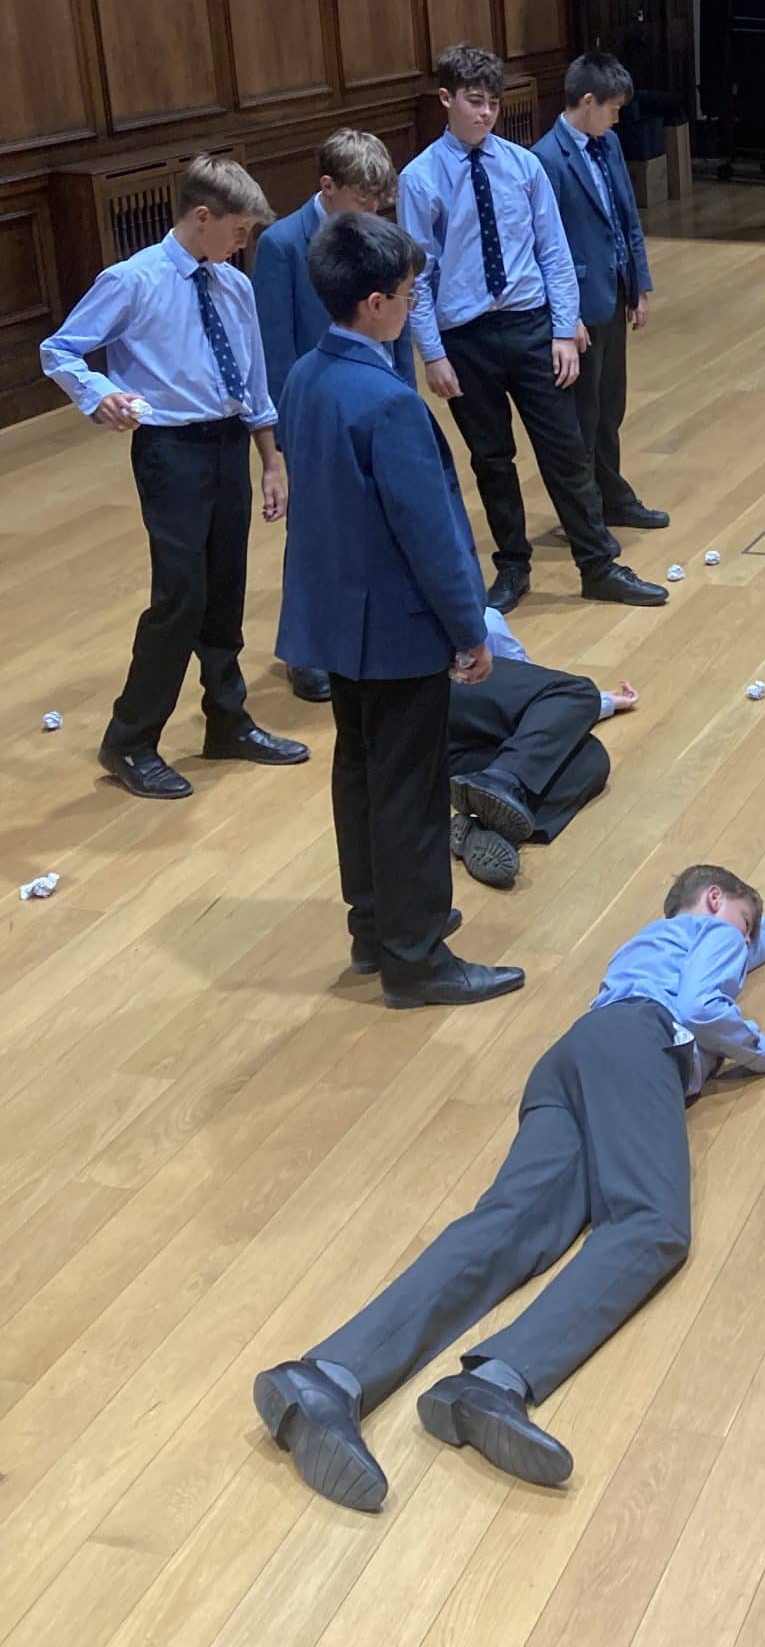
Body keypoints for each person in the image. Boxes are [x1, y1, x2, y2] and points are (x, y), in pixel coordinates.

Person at [251, 863, 765, 1510]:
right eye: (744, 928)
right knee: (651, 1225)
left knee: (511, 1223)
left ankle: (327, 1376)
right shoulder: (714, 935)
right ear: (714, 900)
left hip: (571, 1060)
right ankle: (495, 1381)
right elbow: (700, 1002)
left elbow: (751, 944)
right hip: (640, 1048)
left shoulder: (664, 940)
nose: (745, 947)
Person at [276, 210, 523, 1009]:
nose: (416, 307)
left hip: (337, 622)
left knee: (359, 773)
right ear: (377, 303)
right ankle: (417, 961)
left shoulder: (303, 376)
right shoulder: (388, 403)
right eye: (411, 295)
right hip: (399, 629)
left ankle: (375, 929)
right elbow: (430, 534)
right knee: (411, 792)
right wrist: (469, 628)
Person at [40, 155, 309, 801]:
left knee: (226, 588)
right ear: (202, 216)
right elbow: (60, 349)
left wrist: (272, 462)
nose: (243, 243)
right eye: (238, 230)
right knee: (181, 596)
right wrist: (99, 394)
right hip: (171, 452)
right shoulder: (132, 280)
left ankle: (227, 720)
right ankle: (130, 739)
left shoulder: (234, 286)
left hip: (228, 444)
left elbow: (253, 383)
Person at [397, 42, 664, 614]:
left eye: (493, 103)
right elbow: (419, 276)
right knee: (491, 459)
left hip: (530, 325)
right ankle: (513, 568)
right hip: (465, 339)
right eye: (474, 101)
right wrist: (432, 354)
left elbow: (554, 252)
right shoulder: (420, 180)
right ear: (445, 99)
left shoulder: (523, 166)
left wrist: (564, 330)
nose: (485, 113)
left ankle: (598, 564)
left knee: (565, 449)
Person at [250, 128, 413, 706]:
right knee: (314, 534)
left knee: (378, 521)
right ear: (327, 187)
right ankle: (306, 649)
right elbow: (274, 346)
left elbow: (398, 326)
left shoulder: (378, 235)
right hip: (315, 410)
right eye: (361, 199)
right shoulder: (281, 245)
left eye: (378, 202)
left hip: (378, 401)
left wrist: (406, 395)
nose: (371, 211)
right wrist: (282, 438)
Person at [533, 52, 668, 536]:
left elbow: (627, 216)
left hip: (613, 292)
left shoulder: (607, 142)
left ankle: (612, 498)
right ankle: (583, 514)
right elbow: (543, 246)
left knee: (610, 405)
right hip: (578, 307)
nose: (617, 119)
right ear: (587, 102)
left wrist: (639, 284)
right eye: (612, 109)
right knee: (581, 415)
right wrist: (563, 317)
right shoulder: (545, 160)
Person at [447, 605, 636, 888]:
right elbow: (549, 697)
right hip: (438, 679)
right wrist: (598, 703)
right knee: (577, 692)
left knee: (590, 758)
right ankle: (502, 784)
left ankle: (485, 823)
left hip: (443, 753)